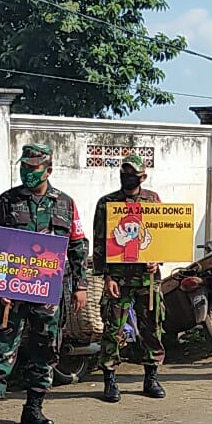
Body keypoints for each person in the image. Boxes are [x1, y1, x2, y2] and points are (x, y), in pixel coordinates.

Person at [0, 144, 89, 424]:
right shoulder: (7, 201)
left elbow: (77, 246)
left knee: (45, 350)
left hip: (48, 292)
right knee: (0, 349)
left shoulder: (65, 204)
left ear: (48, 170)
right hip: (10, 293)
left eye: (34, 167)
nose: (28, 172)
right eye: (24, 166)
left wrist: (81, 286)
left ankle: (33, 408)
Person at [92, 155, 167, 403]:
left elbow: (162, 235)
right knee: (113, 329)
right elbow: (100, 242)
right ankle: (109, 378)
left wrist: (158, 258)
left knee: (152, 327)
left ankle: (151, 377)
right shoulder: (107, 203)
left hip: (147, 279)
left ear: (142, 177)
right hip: (118, 278)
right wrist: (106, 276)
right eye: (124, 173)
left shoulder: (152, 201)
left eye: (132, 174)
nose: (127, 177)